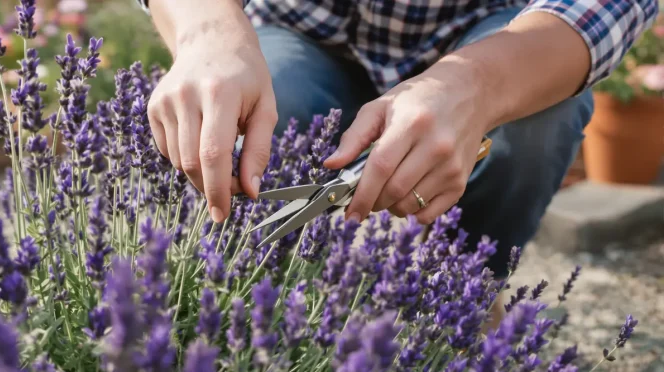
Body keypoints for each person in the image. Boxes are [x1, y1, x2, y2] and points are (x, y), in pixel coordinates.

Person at [134, 0, 657, 297]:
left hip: (503, 29)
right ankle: (258, 298)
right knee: (261, 106)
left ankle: (463, 297)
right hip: (302, 29)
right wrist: (207, 31)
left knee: (534, 123)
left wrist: (481, 85)